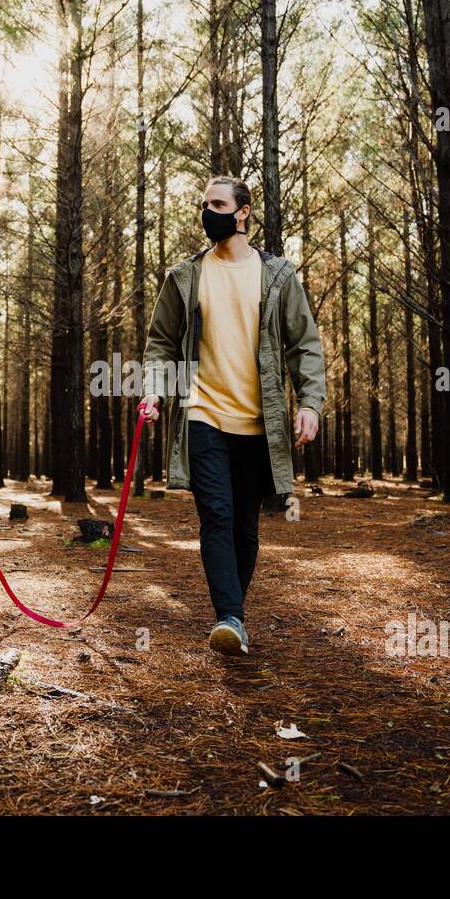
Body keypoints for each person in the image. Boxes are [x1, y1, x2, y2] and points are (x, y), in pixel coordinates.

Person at [141, 175, 326, 656]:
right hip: (203, 414)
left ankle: (233, 615)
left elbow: (304, 345)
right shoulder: (185, 276)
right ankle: (229, 617)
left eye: (218, 204)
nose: (209, 212)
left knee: (245, 527)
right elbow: (161, 343)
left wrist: (310, 403)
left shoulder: (278, 275)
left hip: (258, 424)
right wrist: (155, 392)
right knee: (216, 516)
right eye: (205, 204)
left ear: (243, 212)